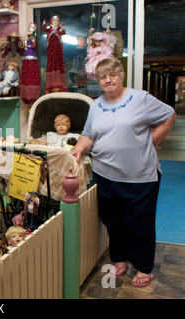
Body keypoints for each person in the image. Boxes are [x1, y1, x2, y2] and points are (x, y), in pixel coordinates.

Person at [70, 57, 176, 288]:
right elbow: (88, 135)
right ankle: (119, 258)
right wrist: (77, 149)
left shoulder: (140, 99)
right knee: (113, 220)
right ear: (98, 80)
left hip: (140, 176)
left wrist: (152, 140)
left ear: (121, 75)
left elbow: (169, 115)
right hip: (105, 174)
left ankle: (144, 267)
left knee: (139, 223)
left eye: (112, 75)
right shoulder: (96, 105)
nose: (108, 80)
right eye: (102, 77)